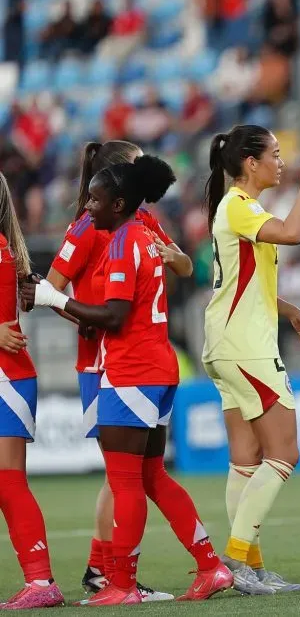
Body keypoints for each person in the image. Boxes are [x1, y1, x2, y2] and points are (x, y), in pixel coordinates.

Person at [23, 155, 232, 606]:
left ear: (118, 203)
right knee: (152, 476)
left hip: (130, 370)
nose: (88, 207)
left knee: (125, 482)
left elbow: (115, 317)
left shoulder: (122, 242)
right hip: (157, 365)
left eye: (95, 200)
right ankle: (210, 566)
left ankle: (120, 583)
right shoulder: (144, 234)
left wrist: (52, 298)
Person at [45, 140, 191, 602]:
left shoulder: (142, 223)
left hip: (132, 356)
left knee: (123, 474)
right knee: (120, 474)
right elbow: (51, 290)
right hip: (102, 359)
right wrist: (88, 319)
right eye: (138, 163)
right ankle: (105, 570)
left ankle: (103, 569)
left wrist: (174, 259)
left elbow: (185, 265)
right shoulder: (90, 226)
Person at [202, 126, 300, 595]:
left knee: (248, 459)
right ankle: (234, 562)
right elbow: (295, 232)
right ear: (251, 163)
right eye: (275, 155)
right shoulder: (237, 205)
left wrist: (291, 311)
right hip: (246, 347)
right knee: (285, 452)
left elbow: (245, 282)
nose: (283, 162)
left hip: (227, 344)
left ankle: (248, 566)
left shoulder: (240, 208)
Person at [0, 172, 64, 610]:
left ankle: (41, 582)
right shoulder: (7, 248)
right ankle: (40, 581)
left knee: (9, 482)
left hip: (7, 377)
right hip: (11, 375)